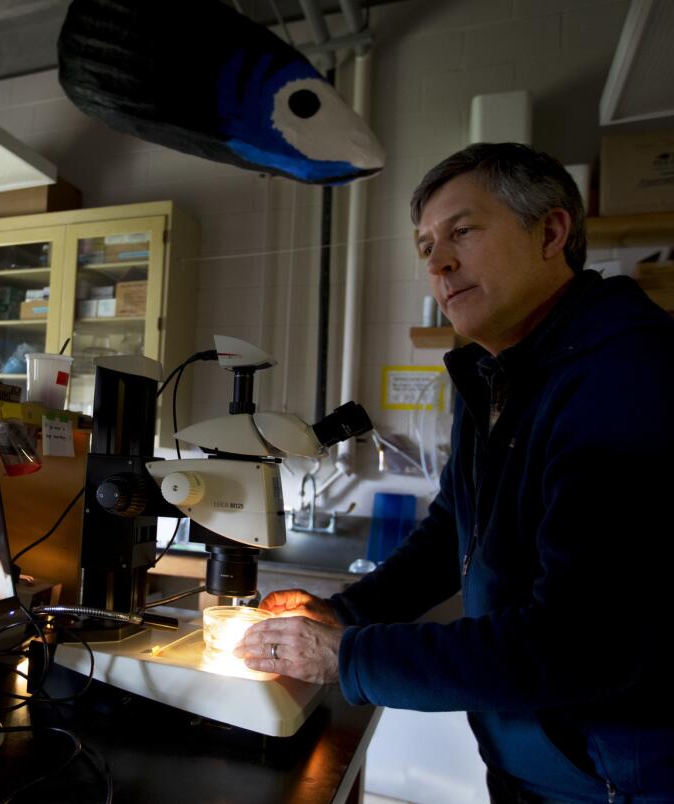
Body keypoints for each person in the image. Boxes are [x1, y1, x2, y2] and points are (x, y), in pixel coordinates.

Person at [234, 143, 674, 804]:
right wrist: (343, 609)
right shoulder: (498, 373)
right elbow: (452, 532)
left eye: (462, 232)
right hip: (536, 764)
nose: (438, 263)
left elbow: (580, 643)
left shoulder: (627, 376)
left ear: (551, 232)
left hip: (623, 779)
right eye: (425, 246)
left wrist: (347, 656)